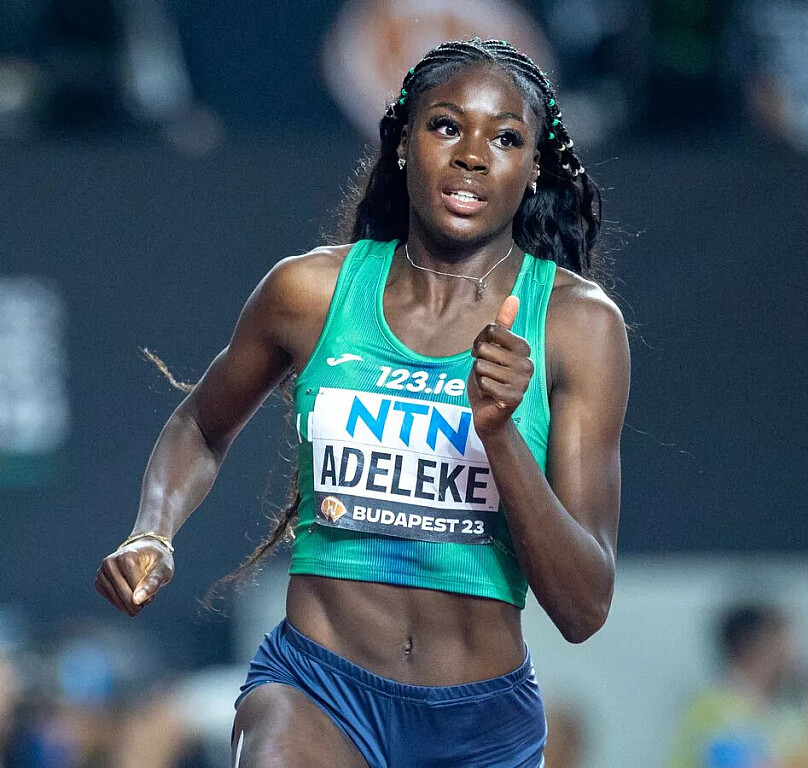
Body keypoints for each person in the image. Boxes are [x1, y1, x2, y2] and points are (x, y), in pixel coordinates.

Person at [94, 37, 629, 768]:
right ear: (404, 143)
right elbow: (200, 425)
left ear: (533, 167)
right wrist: (151, 532)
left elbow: (583, 607)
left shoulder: (577, 325)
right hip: (318, 689)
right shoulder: (310, 292)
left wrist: (501, 435)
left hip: (478, 724)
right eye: (446, 126)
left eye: (506, 138)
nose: (473, 156)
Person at [665, 603, 808, 768]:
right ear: (754, 647)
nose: (795, 657)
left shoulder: (787, 715)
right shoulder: (714, 713)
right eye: (784, 643)